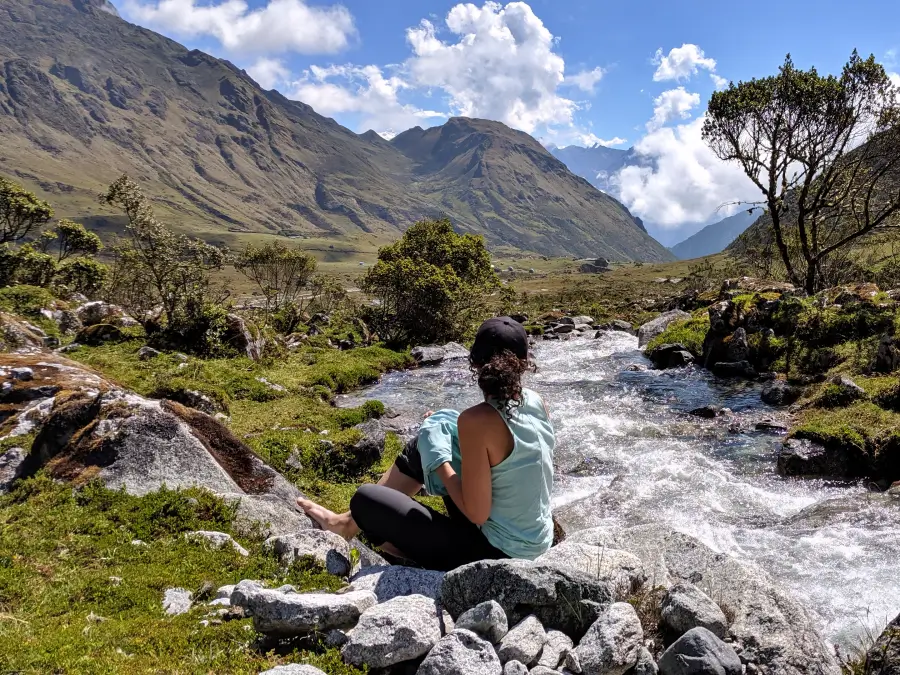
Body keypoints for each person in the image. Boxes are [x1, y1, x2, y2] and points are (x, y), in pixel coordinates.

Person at [296, 317, 556, 571]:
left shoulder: (477, 420)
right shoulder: (537, 401)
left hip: (497, 558)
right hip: (536, 543)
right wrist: (438, 436)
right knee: (426, 439)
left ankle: (410, 557)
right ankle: (345, 524)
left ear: (476, 363)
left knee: (366, 500)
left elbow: (477, 514)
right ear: (523, 363)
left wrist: (439, 460)